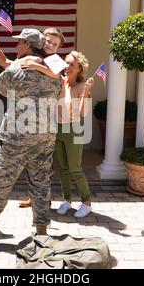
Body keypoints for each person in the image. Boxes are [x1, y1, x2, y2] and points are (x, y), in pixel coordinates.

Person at [0, 29, 61, 245]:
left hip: (17, 138)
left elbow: (2, 88)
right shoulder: (53, 69)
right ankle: (41, 231)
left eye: (19, 43)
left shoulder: (16, 69)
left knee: (2, 181)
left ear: (27, 45)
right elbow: (59, 87)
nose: (16, 47)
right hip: (45, 138)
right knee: (41, 183)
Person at [55, 51, 94, 218]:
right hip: (57, 129)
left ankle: (86, 203)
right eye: (67, 63)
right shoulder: (59, 83)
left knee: (75, 169)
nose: (68, 67)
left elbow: (83, 113)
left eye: (72, 64)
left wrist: (86, 92)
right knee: (63, 169)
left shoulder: (82, 86)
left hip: (73, 129)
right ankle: (67, 200)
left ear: (79, 69)